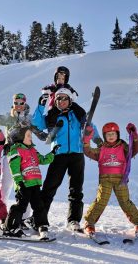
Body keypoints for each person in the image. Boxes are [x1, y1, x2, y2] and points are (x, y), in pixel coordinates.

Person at [0, 93, 41, 224]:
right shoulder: (8, 117)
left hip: (26, 156)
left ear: (25, 103)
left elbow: (40, 131)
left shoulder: (29, 119)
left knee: (26, 186)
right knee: (5, 185)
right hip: (10, 154)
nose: (18, 106)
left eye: (21, 103)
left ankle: (25, 217)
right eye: (16, 103)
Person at [30, 85, 88, 232]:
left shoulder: (78, 114)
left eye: (64, 98)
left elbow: (90, 128)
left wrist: (95, 137)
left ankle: (74, 220)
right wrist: (41, 104)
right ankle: (38, 219)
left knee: (76, 190)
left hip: (77, 155)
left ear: (70, 100)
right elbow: (36, 123)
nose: (61, 101)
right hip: (58, 155)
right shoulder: (52, 117)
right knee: (49, 188)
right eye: (58, 99)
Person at [82, 122, 138, 235]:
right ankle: (89, 223)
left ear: (118, 134)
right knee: (100, 201)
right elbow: (88, 152)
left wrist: (134, 136)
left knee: (125, 202)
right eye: (108, 134)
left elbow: (135, 149)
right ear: (104, 136)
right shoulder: (101, 148)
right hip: (105, 179)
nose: (111, 136)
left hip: (121, 179)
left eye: (113, 134)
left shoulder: (124, 147)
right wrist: (87, 139)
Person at [3, 126, 59, 238]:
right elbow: (14, 168)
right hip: (24, 184)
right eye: (28, 135)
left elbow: (42, 160)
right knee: (21, 206)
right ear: (20, 137)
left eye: (31, 135)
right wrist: (19, 183)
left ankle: (42, 225)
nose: (31, 137)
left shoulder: (33, 150)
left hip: (35, 184)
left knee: (39, 206)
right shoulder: (16, 150)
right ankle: (11, 227)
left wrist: (52, 153)